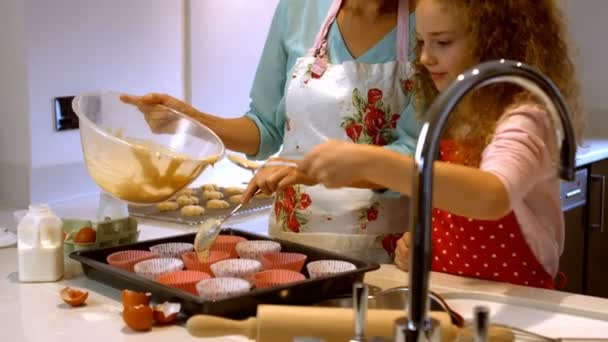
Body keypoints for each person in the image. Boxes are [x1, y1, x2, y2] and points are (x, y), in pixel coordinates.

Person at [294, 0, 584, 289]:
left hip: (523, 300)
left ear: (497, 41)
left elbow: (492, 194)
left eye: (442, 42)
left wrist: (371, 161)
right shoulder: (454, 115)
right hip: (453, 291)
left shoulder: (526, 118)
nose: (424, 57)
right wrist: (422, 245)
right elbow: (455, 211)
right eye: (421, 42)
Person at [122, 0, 421, 262]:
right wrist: (190, 120)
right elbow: (265, 129)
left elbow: (413, 159)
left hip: (386, 253)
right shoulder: (299, 8)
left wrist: (311, 170)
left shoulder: (430, 21)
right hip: (291, 248)